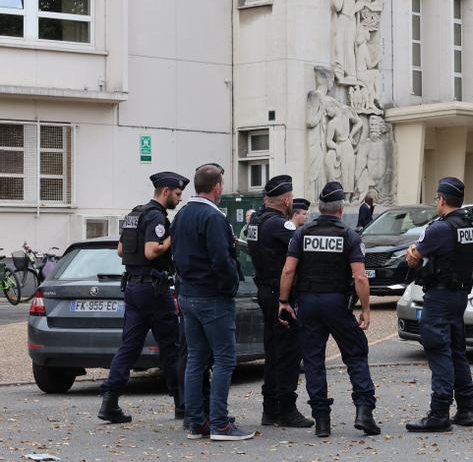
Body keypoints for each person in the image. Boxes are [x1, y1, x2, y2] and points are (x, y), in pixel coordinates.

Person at [277, 181, 380, 438]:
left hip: (309, 303)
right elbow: (360, 278)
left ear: (319, 208)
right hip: (336, 303)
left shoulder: (302, 233)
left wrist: (283, 301)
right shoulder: (349, 236)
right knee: (355, 353)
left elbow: (289, 270)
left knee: (313, 360)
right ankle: (364, 411)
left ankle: (322, 420)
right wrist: (366, 308)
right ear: (341, 210)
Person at [172, 164, 255, 441]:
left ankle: (196, 422)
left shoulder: (181, 214)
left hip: (188, 294)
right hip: (212, 296)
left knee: (196, 359)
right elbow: (222, 259)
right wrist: (229, 286)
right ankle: (220, 423)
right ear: (217, 186)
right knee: (224, 359)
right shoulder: (214, 216)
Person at [98, 172, 189, 424]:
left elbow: (120, 250)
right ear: (166, 191)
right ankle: (181, 405)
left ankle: (110, 401)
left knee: (128, 347)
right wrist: (173, 236)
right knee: (171, 347)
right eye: (178, 194)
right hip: (154, 290)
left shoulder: (135, 213)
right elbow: (151, 251)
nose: (180, 200)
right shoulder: (157, 216)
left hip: (133, 288)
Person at [404, 177, 473, 433]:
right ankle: (466, 408)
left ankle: (439, 413)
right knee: (457, 349)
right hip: (459, 296)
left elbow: (414, 256)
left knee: (438, 350)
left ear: (442, 200)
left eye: (437, 198)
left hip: (440, 296)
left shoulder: (440, 228)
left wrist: (414, 251)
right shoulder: (470, 225)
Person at [244, 175, 314, 429]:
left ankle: (269, 408)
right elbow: (303, 252)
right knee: (287, 352)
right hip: (280, 294)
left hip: (265, 291)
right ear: (286, 200)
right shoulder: (279, 225)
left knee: (273, 351)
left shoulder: (256, 221)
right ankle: (286, 408)